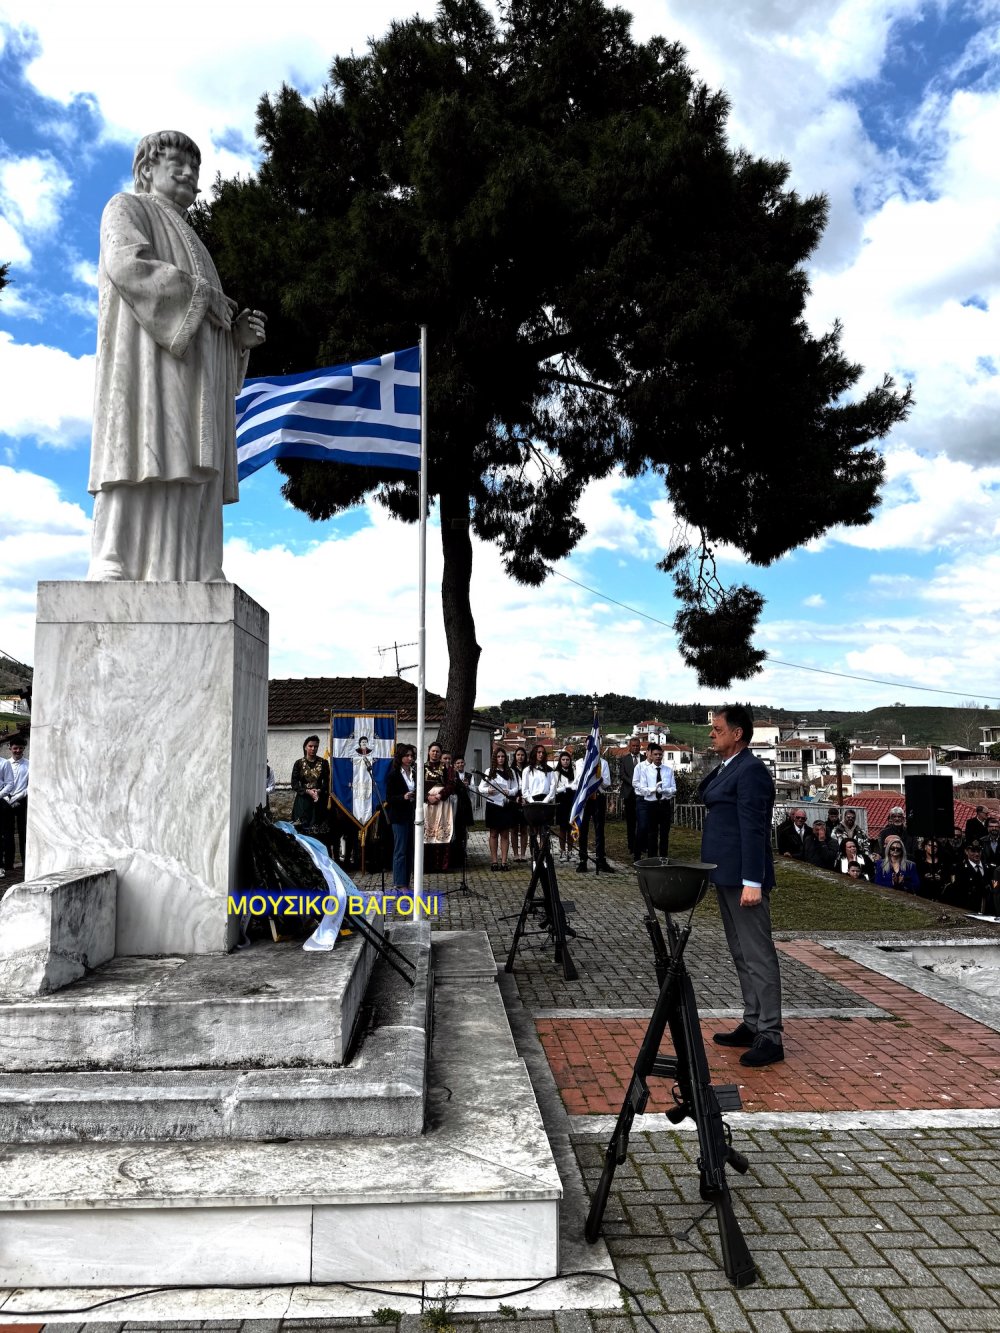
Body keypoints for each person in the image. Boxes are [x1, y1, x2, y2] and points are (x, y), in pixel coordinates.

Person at [87, 130, 266, 581]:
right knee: (138, 455)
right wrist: (203, 297)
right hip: (145, 373)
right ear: (147, 169)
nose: (189, 174)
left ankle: (195, 569)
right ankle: (117, 561)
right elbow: (128, 266)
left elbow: (209, 325)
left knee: (190, 466)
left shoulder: (198, 246)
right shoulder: (125, 208)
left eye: (195, 168)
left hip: (194, 386)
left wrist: (237, 341)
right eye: (178, 163)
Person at [700, 704, 783, 1068]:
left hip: (744, 879)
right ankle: (753, 1022)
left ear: (738, 734)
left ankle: (771, 1034)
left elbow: (753, 828)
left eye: (717, 728)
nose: (711, 733)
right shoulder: (730, 767)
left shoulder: (751, 771)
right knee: (739, 952)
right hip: (726, 874)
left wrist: (754, 880)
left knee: (758, 953)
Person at [633, 742, 676, 860]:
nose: (658, 756)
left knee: (664, 833)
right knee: (651, 833)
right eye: (655, 754)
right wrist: (654, 789)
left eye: (660, 754)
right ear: (650, 755)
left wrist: (664, 791)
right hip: (651, 804)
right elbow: (642, 788)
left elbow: (673, 788)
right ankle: (652, 859)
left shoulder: (668, 770)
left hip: (664, 804)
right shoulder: (646, 771)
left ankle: (663, 858)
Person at [479, 747, 518, 871]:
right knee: (494, 833)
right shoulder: (489, 771)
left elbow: (516, 788)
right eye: (498, 757)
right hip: (493, 805)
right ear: (495, 758)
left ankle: (504, 862)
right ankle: (494, 861)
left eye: (502, 756)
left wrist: (510, 792)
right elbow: (480, 787)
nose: (500, 759)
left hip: (505, 805)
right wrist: (488, 790)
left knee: (505, 834)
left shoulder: (510, 771)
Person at [574, 750, 613, 873]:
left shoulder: (603, 763)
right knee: (583, 829)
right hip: (585, 798)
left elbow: (607, 783)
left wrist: (597, 775)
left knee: (599, 829)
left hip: (598, 797)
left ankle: (601, 860)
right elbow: (579, 780)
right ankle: (583, 860)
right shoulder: (580, 762)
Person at [385, 744, 417, 890]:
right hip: (398, 816)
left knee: (410, 849)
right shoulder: (394, 775)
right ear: (400, 757)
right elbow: (389, 798)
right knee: (400, 849)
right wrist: (403, 797)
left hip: (411, 814)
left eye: (411, 756)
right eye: (407, 756)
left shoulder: (415, 773)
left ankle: (407, 881)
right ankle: (399, 883)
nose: (410, 758)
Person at [423, 742, 456, 871]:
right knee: (427, 832)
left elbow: (451, 784)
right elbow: (417, 785)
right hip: (427, 804)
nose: (435, 753)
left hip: (442, 804)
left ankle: (442, 865)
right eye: (433, 751)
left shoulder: (447, 768)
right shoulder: (421, 767)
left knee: (441, 832)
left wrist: (439, 796)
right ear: (428, 752)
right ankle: (426, 865)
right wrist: (427, 797)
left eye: (437, 751)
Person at [0, 739, 29, 878]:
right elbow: (4, 784)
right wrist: (6, 799)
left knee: (24, 833)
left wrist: (17, 798)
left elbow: (30, 785)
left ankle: (25, 862)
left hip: (22, 801)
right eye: (15, 748)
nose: (18, 751)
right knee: (7, 833)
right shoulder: (5, 763)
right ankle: (9, 864)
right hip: (5, 801)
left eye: (21, 748)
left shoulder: (29, 764)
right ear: (10, 748)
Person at [290, 736, 330, 833]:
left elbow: (328, 781)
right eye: (310, 746)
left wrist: (319, 790)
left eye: (315, 746)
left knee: (319, 830)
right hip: (303, 801)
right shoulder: (299, 763)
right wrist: (307, 791)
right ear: (305, 747)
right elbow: (294, 783)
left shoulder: (324, 763)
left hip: (319, 801)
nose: (313, 749)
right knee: (301, 830)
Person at [619, 737, 644, 859]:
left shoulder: (645, 759)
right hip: (629, 793)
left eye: (637, 746)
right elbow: (622, 775)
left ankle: (642, 845)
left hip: (642, 794)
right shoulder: (624, 759)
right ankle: (631, 846)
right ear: (629, 746)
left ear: (640, 746)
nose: (635, 748)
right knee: (630, 821)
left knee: (642, 821)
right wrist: (634, 783)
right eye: (633, 746)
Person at [552, 750, 577, 862]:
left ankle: (570, 851)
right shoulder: (556, 773)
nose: (565, 762)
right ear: (560, 761)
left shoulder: (574, 772)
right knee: (562, 828)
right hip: (562, 801)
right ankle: (562, 851)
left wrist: (571, 787)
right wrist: (564, 787)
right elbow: (554, 789)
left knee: (571, 826)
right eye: (563, 760)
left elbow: (576, 784)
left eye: (567, 760)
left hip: (572, 801)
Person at [952, 843, 990, 912]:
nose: (977, 854)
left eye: (978, 851)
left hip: (986, 906)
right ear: (966, 852)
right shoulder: (961, 868)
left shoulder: (988, 867)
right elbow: (959, 890)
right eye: (973, 851)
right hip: (968, 906)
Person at [509, 746, 530, 861]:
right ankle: (516, 854)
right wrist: (516, 797)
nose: (520, 757)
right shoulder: (511, 770)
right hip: (514, 800)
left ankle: (523, 854)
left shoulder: (529, 769)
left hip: (526, 800)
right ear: (515, 757)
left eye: (522, 755)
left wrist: (525, 797)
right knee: (513, 829)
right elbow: (510, 786)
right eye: (518, 755)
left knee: (524, 828)